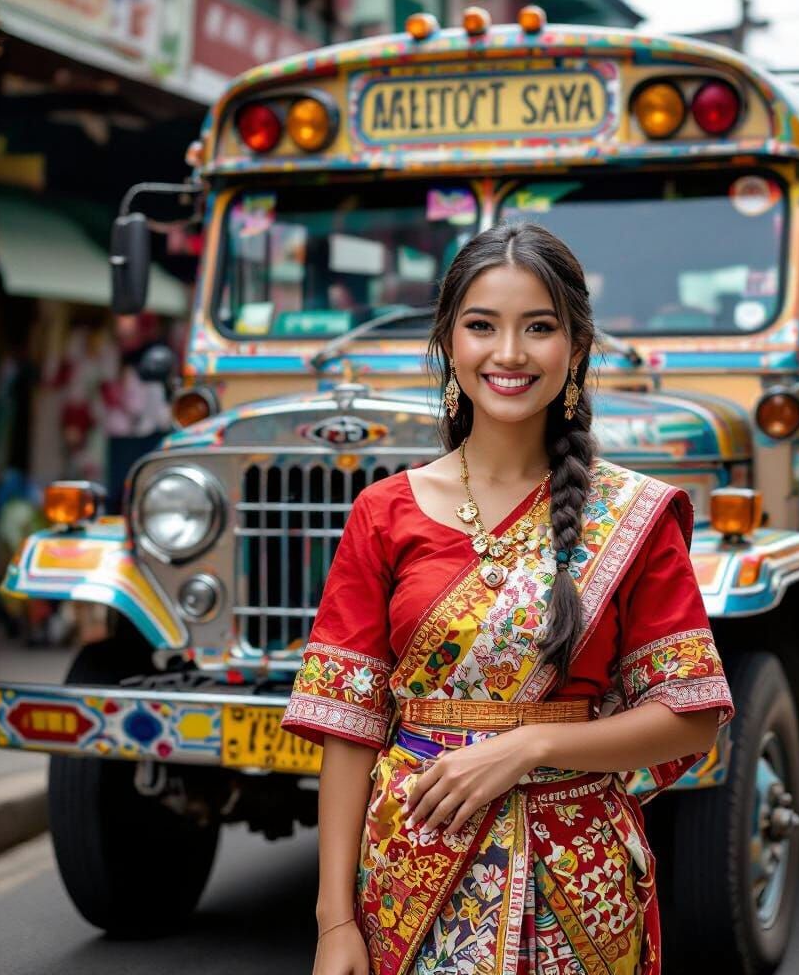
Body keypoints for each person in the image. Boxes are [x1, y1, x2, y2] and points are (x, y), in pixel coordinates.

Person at [281, 222, 735, 975]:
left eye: (540, 328)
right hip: (410, 875)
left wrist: (530, 746)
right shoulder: (382, 513)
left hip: (579, 885)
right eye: (483, 325)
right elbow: (348, 726)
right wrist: (335, 922)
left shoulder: (633, 516)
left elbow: (690, 716)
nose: (510, 353)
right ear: (448, 342)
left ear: (577, 349)